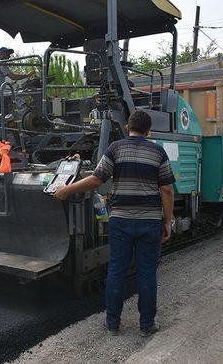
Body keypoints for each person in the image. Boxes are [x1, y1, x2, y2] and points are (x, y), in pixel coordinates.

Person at [54, 110, 175, 337]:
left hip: (120, 221)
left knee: (116, 270)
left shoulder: (115, 149)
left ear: (128, 126)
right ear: (148, 131)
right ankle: (147, 325)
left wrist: (67, 189)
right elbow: (167, 189)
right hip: (149, 222)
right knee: (147, 272)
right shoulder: (158, 152)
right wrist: (167, 221)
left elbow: (97, 179)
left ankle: (113, 323)